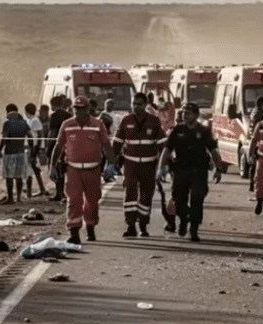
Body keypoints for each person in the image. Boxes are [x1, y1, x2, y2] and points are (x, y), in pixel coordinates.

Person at [157, 103, 223, 242]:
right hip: (181, 170)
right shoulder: (178, 130)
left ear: (196, 115)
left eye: (189, 113)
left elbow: (213, 151)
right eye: (184, 113)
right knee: (178, 200)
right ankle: (184, 219)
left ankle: (193, 229)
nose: (185, 116)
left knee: (197, 199)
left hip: (199, 171)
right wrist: (161, 168)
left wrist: (218, 169)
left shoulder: (204, 131)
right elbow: (167, 149)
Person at [51, 95, 113, 244]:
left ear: (87, 109)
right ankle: (74, 231)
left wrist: (111, 163)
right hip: (73, 169)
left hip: (93, 169)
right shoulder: (66, 124)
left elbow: (106, 145)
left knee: (92, 200)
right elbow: (59, 146)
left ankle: (90, 227)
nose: (78, 111)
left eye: (81, 108)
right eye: (75, 108)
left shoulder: (98, 124)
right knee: (73, 200)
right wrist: (52, 166)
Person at [112, 92, 166, 237]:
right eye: (134, 104)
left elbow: (162, 144)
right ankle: (130, 226)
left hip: (149, 165)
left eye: (139, 104)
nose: (136, 107)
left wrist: (164, 164)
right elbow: (117, 143)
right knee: (130, 194)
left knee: (146, 196)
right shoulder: (126, 120)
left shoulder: (154, 121)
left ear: (146, 105)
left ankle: (143, 225)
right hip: (131, 164)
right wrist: (111, 162)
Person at [0, 104, 30, 204]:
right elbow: (30, 136)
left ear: (8, 112)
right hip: (20, 152)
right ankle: (19, 197)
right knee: (18, 175)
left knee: (9, 176)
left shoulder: (7, 123)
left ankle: (11, 197)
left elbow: (5, 137)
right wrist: (31, 148)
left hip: (10, 152)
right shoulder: (24, 123)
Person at [47, 95, 73, 201]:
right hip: (68, 144)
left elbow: (52, 132)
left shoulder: (54, 116)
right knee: (63, 168)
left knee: (56, 167)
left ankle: (60, 192)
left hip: (56, 144)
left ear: (53, 105)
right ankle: (61, 193)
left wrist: (48, 146)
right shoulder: (69, 115)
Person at [24, 103, 47, 197]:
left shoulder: (35, 120)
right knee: (32, 168)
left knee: (29, 169)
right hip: (29, 146)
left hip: (33, 147)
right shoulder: (28, 120)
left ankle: (29, 192)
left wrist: (36, 148)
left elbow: (40, 135)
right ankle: (41, 189)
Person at [247, 96, 263, 192]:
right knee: (260, 164)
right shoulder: (260, 114)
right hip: (260, 141)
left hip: (255, 140)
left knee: (254, 164)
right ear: (262, 104)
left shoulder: (254, 112)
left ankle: (252, 183)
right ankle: (258, 184)